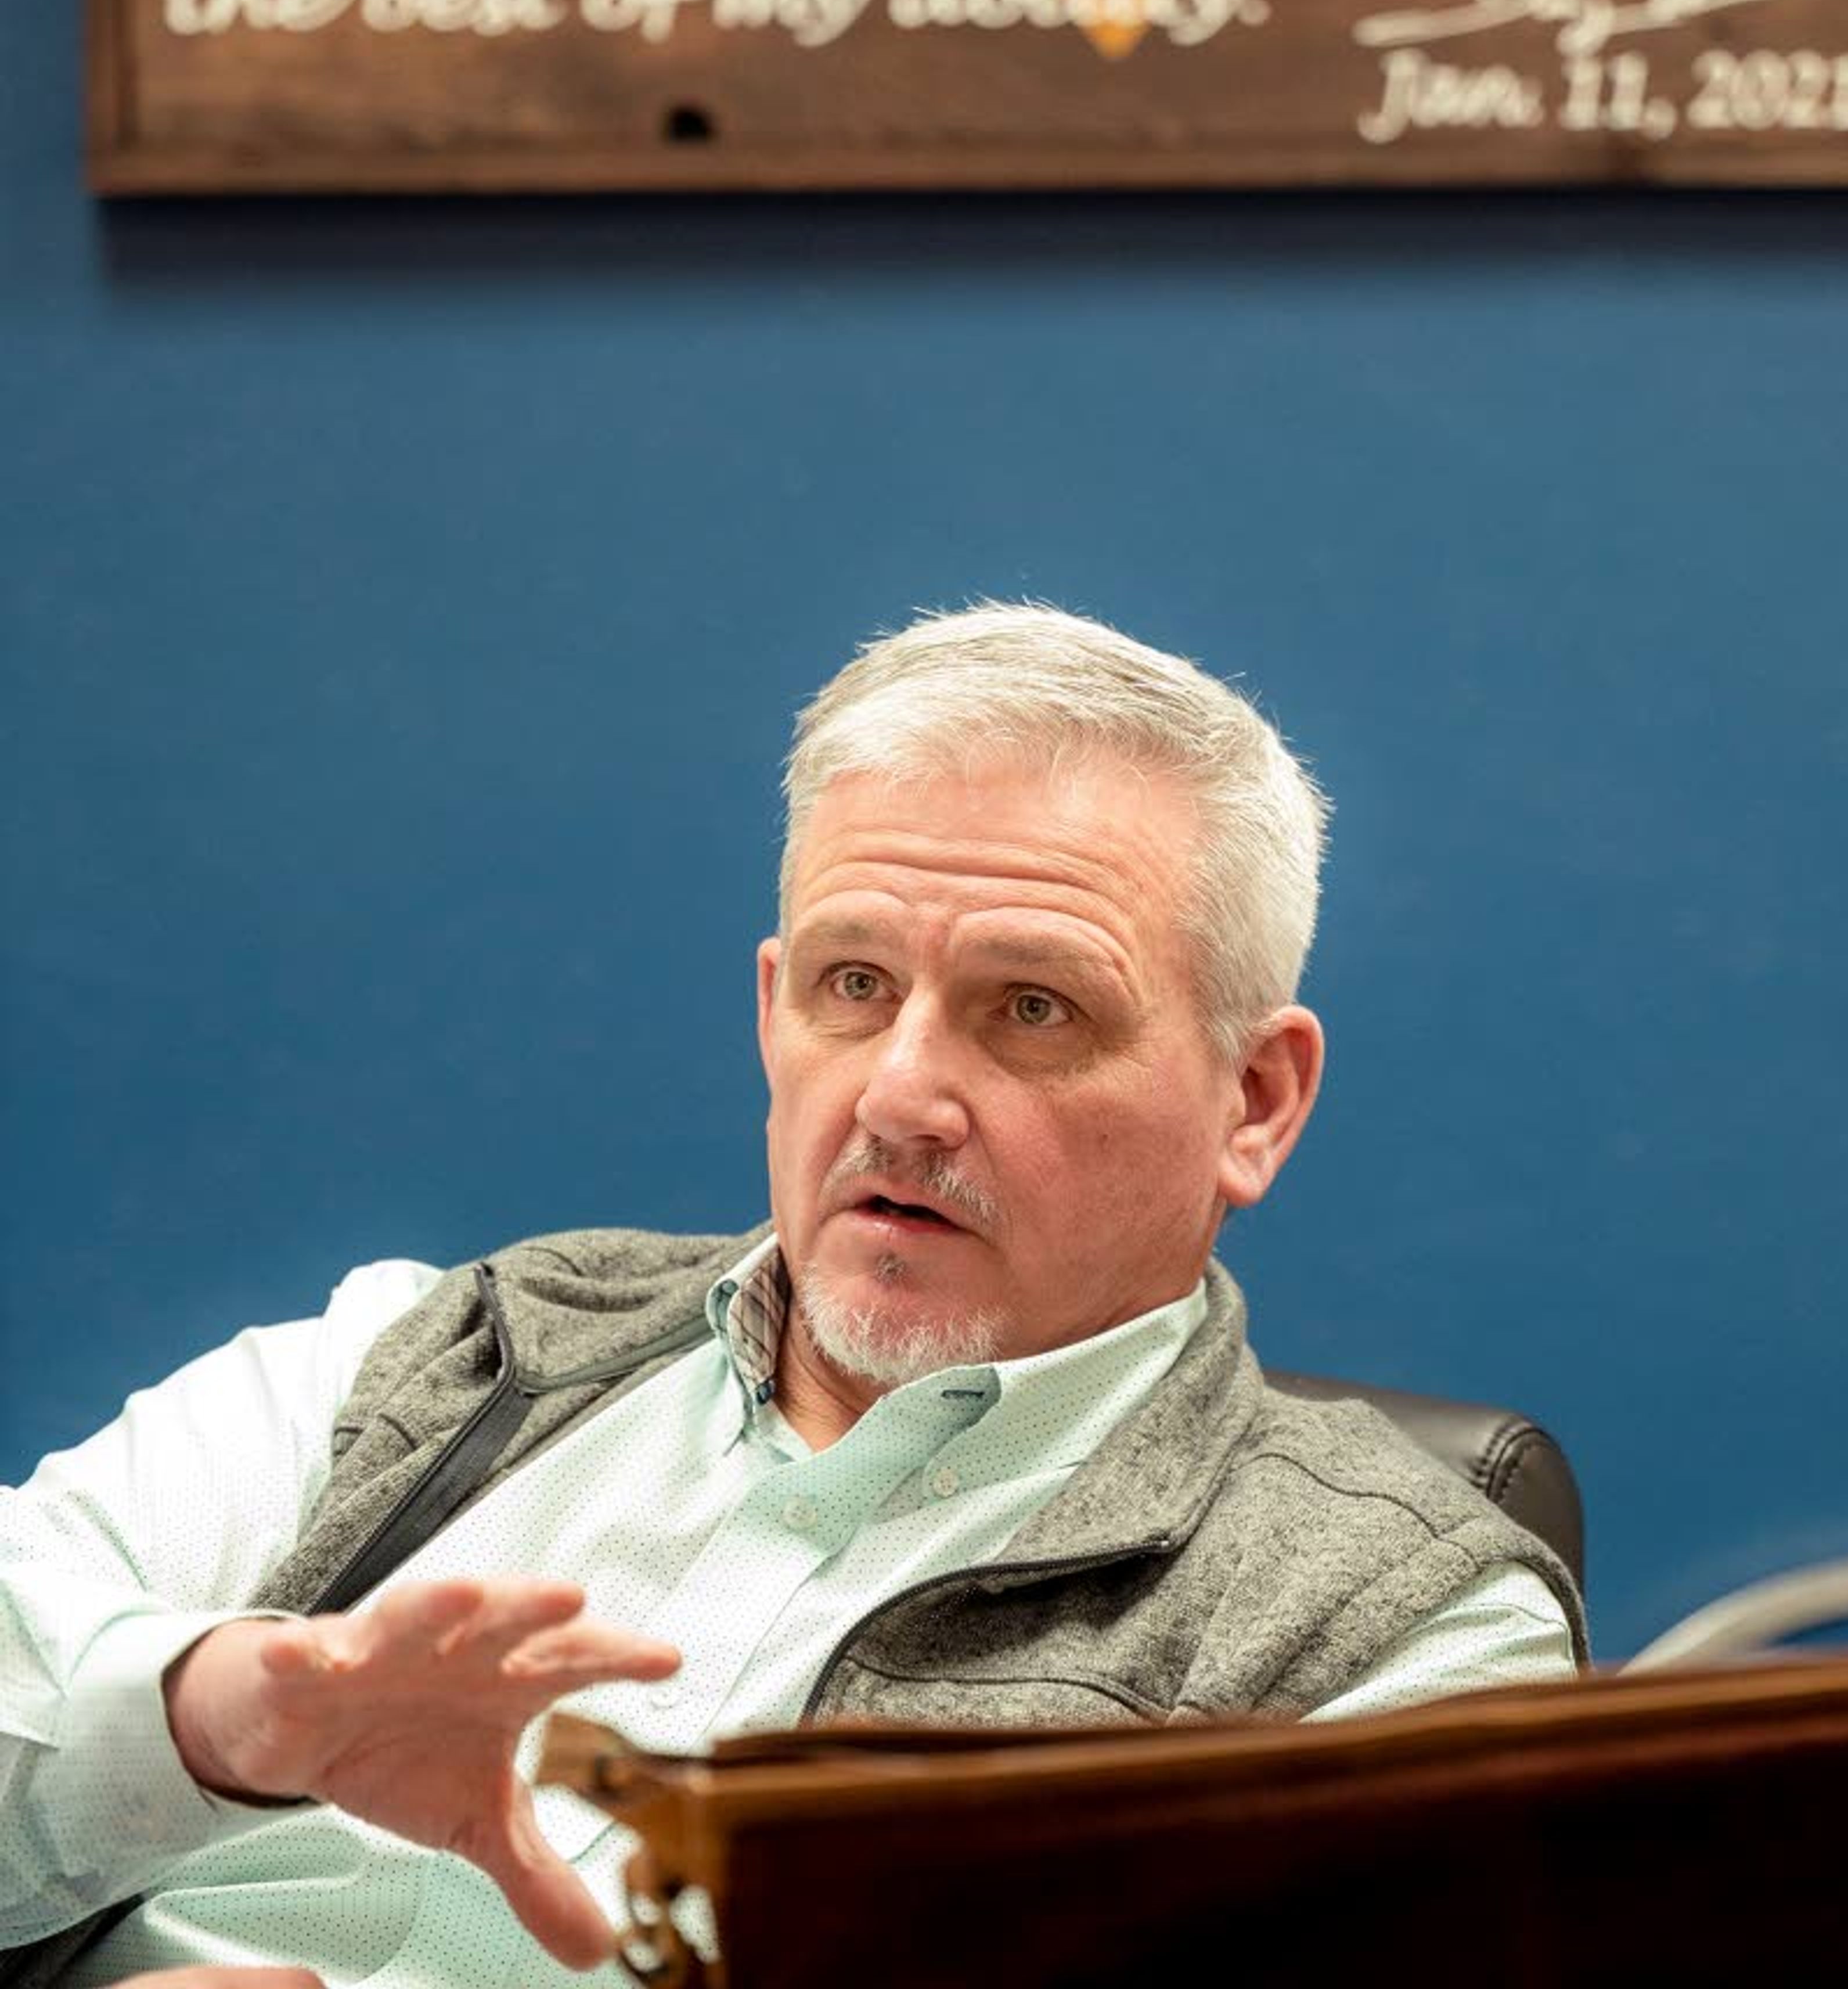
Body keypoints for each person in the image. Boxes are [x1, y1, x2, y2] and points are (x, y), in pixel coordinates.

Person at [0, 604, 1579, 1989]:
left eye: (1030, 1009)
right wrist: (211, 1728)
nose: (900, 1096)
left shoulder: (1395, 1635)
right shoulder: (430, 1363)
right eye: (854, 986)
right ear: (775, 1012)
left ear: (1254, 1099)